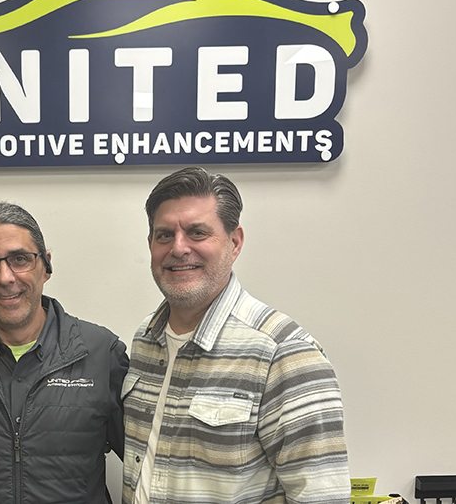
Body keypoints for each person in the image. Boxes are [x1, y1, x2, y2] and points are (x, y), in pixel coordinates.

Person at [123, 167, 349, 504]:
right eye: (164, 235)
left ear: (235, 242)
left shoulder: (285, 353)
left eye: (197, 233)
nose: (179, 248)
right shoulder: (145, 339)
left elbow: (321, 497)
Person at [0, 202, 129, 504]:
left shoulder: (101, 352)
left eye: (20, 259)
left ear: (45, 266)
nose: (5, 277)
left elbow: (150, 466)